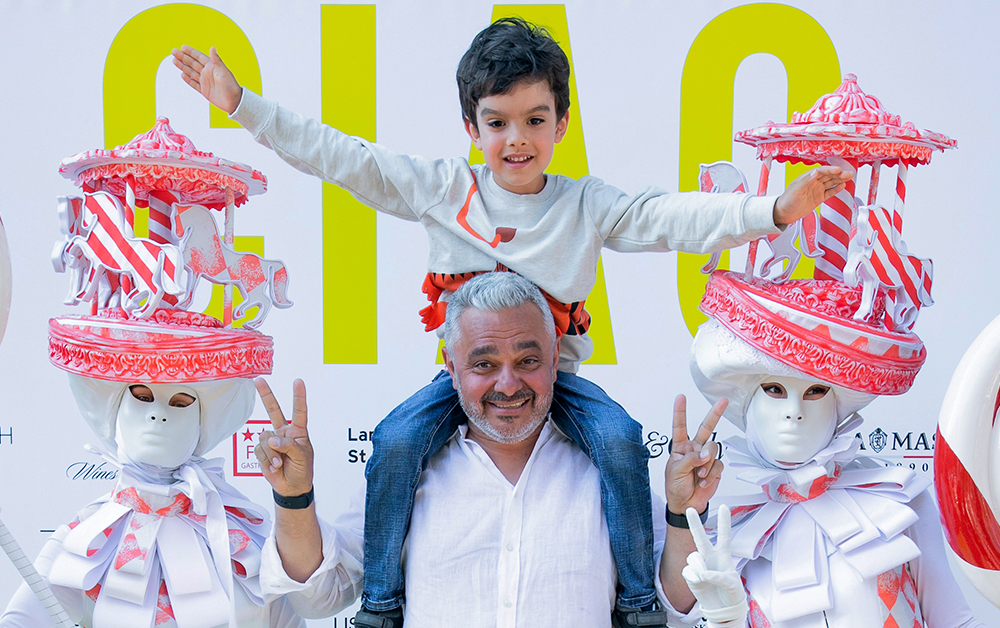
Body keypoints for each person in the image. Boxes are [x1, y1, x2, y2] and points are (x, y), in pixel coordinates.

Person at [172, 18, 852, 627]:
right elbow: (343, 157)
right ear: (472, 128)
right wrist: (243, 106)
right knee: (396, 441)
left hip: (561, 389)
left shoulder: (585, 205)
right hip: (458, 386)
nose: (517, 139)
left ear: (562, 124)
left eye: (534, 120)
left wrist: (773, 212)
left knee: (620, 442)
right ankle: (380, 603)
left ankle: (638, 603)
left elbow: (671, 217)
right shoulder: (445, 189)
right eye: (497, 122)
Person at [252, 271, 728, 627]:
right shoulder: (406, 474)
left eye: (527, 360)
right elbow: (317, 597)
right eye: (483, 364)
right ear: (451, 367)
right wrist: (294, 497)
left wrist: (683, 512)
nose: (508, 384)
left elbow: (676, 607)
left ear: (555, 359)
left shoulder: (605, 470)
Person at [680, 271, 985, 627]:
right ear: (746, 406)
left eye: (815, 391)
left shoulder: (897, 501)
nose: (794, 411)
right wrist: (725, 619)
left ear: (838, 406)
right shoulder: (732, 539)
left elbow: (955, 620)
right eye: (774, 390)